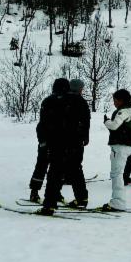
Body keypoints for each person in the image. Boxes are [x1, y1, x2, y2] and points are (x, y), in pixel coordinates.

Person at [37, 79, 85, 214]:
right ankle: (81, 198)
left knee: (54, 172)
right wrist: (82, 138)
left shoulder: (49, 101)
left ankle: (49, 204)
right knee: (75, 169)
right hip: (74, 142)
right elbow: (83, 121)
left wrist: (43, 141)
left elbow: (42, 125)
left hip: (56, 142)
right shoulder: (76, 100)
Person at [32, 78, 70, 204]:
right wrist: (43, 140)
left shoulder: (53, 100)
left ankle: (52, 192)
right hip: (51, 139)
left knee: (49, 167)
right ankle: (37, 192)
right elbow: (42, 124)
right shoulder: (53, 101)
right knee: (48, 167)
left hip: (55, 140)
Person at [100, 89, 131, 211]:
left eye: (115, 100)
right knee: (118, 173)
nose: (114, 103)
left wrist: (106, 122)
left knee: (117, 174)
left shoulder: (124, 111)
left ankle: (118, 202)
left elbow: (114, 125)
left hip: (120, 146)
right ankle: (118, 201)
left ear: (121, 100)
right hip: (125, 146)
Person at [66, 78, 91, 207]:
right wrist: (85, 137)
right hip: (77, 140)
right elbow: (86, 121)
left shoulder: (63, 99)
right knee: (76, 168)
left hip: (63, 139)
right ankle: (82, 198)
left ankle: (53, 197)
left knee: (58, 167)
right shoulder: (82, 102)